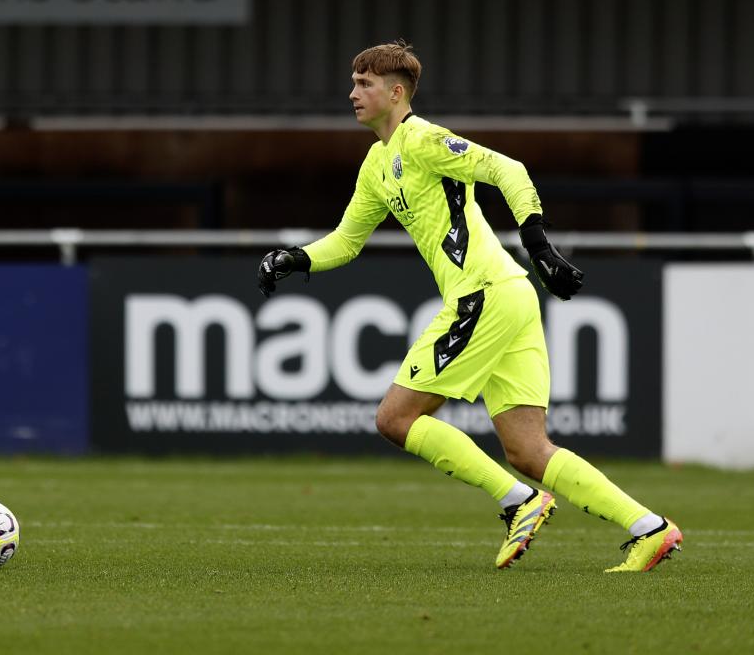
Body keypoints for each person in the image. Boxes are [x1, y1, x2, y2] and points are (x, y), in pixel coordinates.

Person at [257, 41, 682, 572]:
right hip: (509, 295)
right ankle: (651, 529)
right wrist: (294, 258)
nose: (352, 93)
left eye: (363, 83)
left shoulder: (422, 139)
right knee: (528, 450)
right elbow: (346, 241)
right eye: (353, 81)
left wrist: (540, 245)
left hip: (484, 294)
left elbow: (510, 169)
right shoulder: (377, 161)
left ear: (395, 92)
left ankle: (519, 501)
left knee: (394, 417)